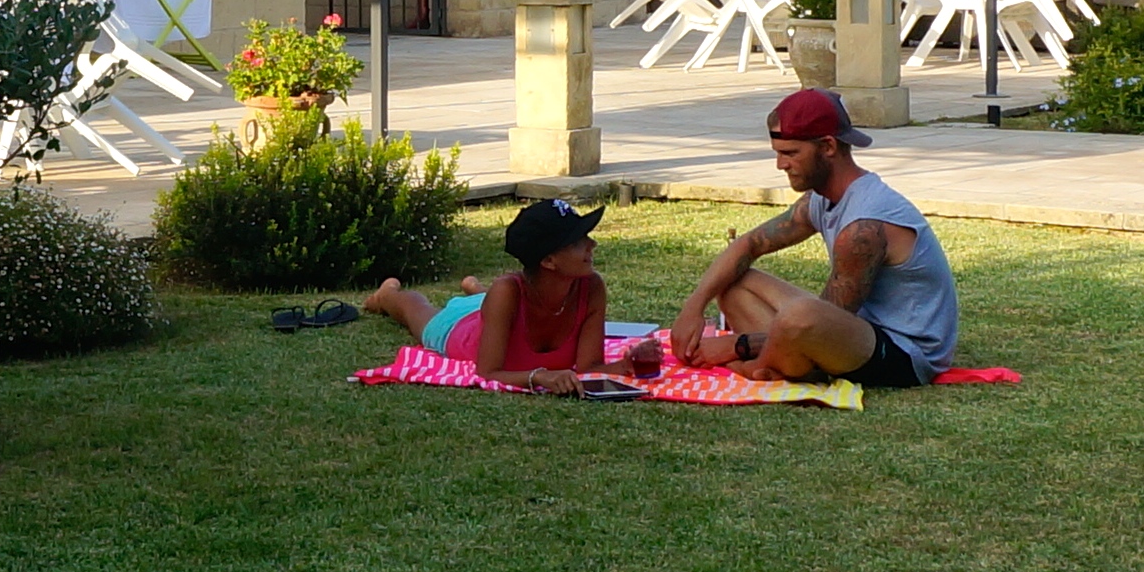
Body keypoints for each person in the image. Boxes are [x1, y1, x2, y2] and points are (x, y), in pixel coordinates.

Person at [667, 88, 958, 387]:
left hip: (904, 355)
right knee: (734, 281)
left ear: (828, 146)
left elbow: (823, 321)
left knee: (802, 315)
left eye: (790, 153)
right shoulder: (820, 199)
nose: (780, 164)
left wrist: (738, 345)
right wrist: (693, 309)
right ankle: (780, 365)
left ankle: (764, 367)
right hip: (857, 331)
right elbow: (749, 244)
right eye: (778, 153)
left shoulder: (864, 227)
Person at [364, 199, 630, 395]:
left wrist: (631, 363)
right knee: (415, 308)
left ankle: (474, 287)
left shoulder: (590, 287)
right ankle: (386, 294)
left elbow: (589, 367)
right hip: (461, 329)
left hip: (494, 308)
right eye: (578, 242)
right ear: (548, 261)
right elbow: (487, 372)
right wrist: (539, 377)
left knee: (492, 301)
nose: (592, 244)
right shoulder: (507, 292)